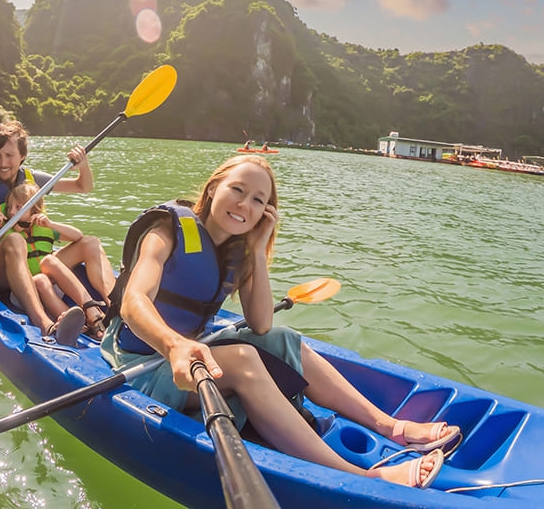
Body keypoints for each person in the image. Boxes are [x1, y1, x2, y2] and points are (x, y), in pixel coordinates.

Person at [101, 154, 459, 488]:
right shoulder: (167, 231)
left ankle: (390, 426)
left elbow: (260, 324)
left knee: (284, 338)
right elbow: (134, 301)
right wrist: (174, 345)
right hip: (145, 361)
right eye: (237, 190)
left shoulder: (237, 254)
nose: (245, 205)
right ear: (213, 189)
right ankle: (363, 476)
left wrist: (257, 250)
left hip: (194, 354)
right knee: (244, 360)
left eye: (259, 200)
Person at [0, 120, 116, 340]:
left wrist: (83, 165)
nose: (2, 162)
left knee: (90, 243)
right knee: (15, 240)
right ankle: (44, 324)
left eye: (9, 155)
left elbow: (83, 186)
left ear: (22, 156)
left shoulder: (33, 180)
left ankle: (118, 307)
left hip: (35, 264)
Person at [0, 183, 109, 341]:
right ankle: (76, 326)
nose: (12, 212)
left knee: (48, 262)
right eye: (10, 207)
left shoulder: (43, 227)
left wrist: (51, 224)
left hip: (50, 283)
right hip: (26, 291)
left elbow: (78, 236)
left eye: (19, 207)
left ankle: (87, 314)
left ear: (34, 210)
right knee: (40, 280)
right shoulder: (6, 233)